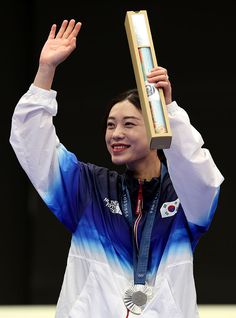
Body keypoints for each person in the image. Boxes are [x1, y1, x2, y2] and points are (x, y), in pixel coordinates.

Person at [10, 19, 224, 318]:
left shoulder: (185, 199)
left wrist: (169, 113)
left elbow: (202, 175)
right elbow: (33, 147)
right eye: (110, 125)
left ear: (153, 128)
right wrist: (45, 71)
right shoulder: (89, 188)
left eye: (128, 124)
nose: (116, 134)